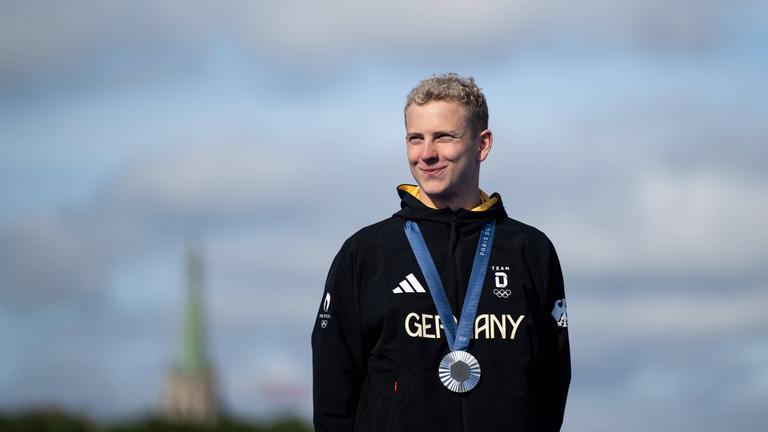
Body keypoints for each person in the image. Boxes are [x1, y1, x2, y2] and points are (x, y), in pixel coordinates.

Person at [312, 73, 570, 432]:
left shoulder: (531, 251)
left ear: (482, 145)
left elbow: (552, 384)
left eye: (444, 137)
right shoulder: (366, 253)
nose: (427, 154)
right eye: (415, 139)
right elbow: (333, 394)